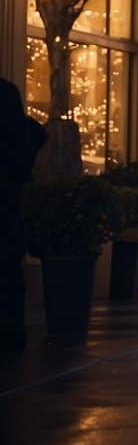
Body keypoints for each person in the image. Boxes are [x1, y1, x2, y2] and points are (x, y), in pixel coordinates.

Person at [1, 77, 47, 351]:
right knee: (8, 273)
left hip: (7, 206)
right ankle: (11, 335)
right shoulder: (7, 94)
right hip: (8, 207)